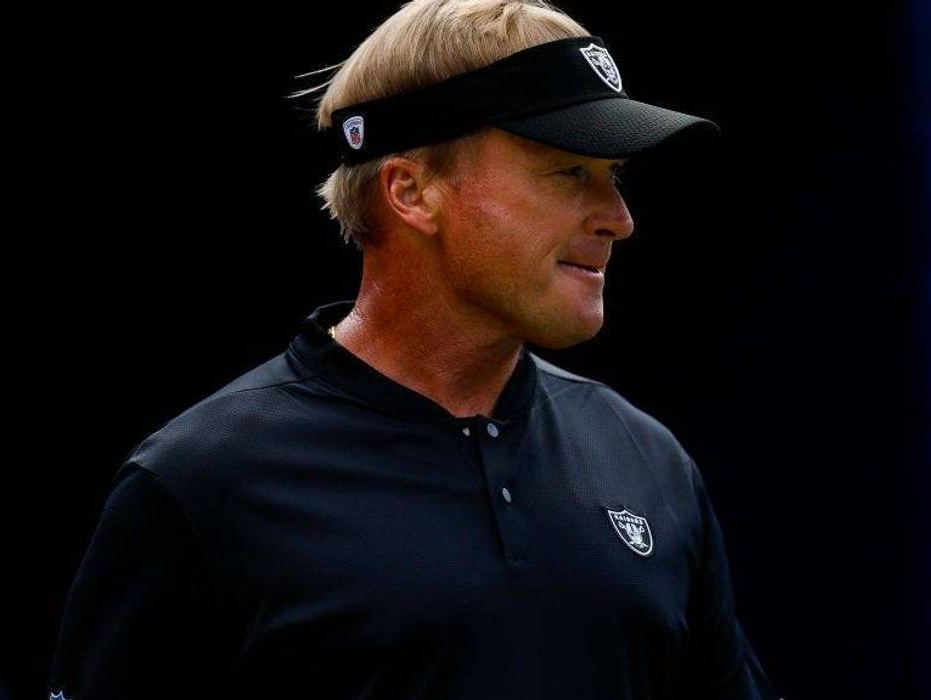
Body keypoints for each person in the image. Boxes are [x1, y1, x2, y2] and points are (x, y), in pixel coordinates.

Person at [49, 1, 781, 698]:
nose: (618, 219)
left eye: (613, 178)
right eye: (568, 172)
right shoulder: (201, 483)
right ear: (411, 191)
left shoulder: (646, 461)